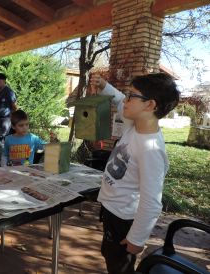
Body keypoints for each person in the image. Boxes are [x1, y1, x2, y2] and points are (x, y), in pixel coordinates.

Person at [90, 73, 180, 274]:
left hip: (124, 220)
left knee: (120, 266)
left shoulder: (151, 149)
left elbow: (151, 202)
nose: (126, 100)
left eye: (132, 96)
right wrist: (104, 85)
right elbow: (120, 100)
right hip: (113, 211)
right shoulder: (133, 126)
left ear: (150, 105)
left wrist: (136, 239)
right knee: (110, 254)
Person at [0, 72, 18, 167]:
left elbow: (14, 107)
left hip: (5, 120)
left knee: (0, 141)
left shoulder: (9, 92)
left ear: (3, 81)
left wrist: (12, 120)